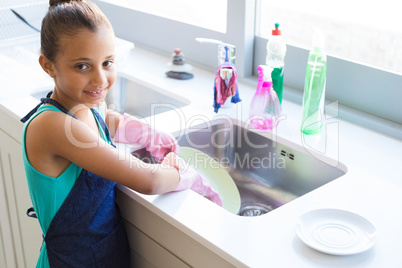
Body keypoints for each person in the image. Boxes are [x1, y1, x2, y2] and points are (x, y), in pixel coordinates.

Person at [21, 0, 220, 267]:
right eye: (82, 66)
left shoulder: (85, 104)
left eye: (107, 62)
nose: (100, 79)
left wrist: (146, 133)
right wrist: (184, 173)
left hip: (106, 256)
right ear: (48, 66)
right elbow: (149, 181)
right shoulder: (51, 126)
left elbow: (104, 119)